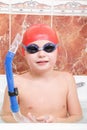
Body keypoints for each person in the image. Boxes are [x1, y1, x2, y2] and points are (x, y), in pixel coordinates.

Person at [1, 24, 82, 123]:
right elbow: (6, 116)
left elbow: (77, 116)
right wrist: (25, 123)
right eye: (33, 49)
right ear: (24, 52)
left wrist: (57, 121)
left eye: (48, 48)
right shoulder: (16, 83)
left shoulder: (67, 80)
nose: (41, 54)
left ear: (57, 50)